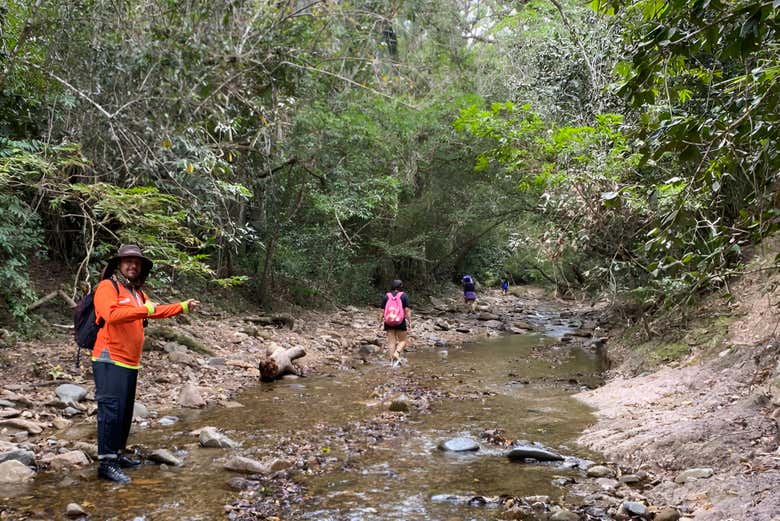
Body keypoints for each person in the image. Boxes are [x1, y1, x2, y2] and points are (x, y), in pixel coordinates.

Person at [91, 244, 200, 484]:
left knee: (125, 412)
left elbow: (154, 311)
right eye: (127, 261)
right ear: (118, 264)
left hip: (130, 361)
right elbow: (111, 315)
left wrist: (182, 306)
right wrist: (141, 310)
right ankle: (106, 463)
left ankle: (118, 455)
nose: (132, 265)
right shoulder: (107, 287)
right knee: (110, 411)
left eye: (136, 263)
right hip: (109, 358)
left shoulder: (136, 293)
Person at [380, 279, 411, 367]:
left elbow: (382, 311)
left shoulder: (387, 296)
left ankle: (391, 363)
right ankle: (397, 353)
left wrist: (380, 321)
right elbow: (407, 310)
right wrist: (409, 321)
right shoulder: (404, 295)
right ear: (401, 286)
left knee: (391, 342)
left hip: (388, 321)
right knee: (403, 340)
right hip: (400, 321)